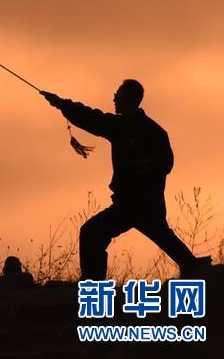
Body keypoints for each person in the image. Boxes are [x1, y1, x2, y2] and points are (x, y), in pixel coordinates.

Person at [41, 79, 211, 280]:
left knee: (91, 233)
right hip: (142, 204)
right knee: (161, 236)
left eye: (118, 94)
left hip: (137, 202)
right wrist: (62, 103)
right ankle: (194, 265)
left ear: (129, 98)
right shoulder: (120, 126)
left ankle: (92, 286)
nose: (114, 98)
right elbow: (91, 118)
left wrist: (149, 165)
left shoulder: (152, 131)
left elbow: (166, 163)